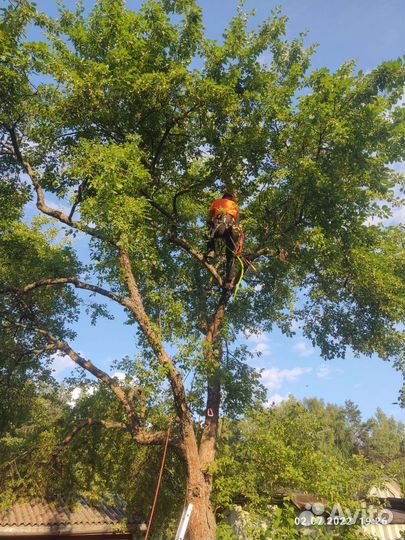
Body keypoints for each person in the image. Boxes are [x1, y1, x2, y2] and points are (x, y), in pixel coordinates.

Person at [206, 192, 244, 286]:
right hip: (232, 230)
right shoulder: (235, 205)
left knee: (208, 233)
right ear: (231, 198)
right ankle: (229, 280)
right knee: (230, 257)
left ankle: (212, 250)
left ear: (223, 197)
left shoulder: (217, 202)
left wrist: (211, 222)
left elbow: (209, 218)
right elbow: (238, 221)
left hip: (219, 227)